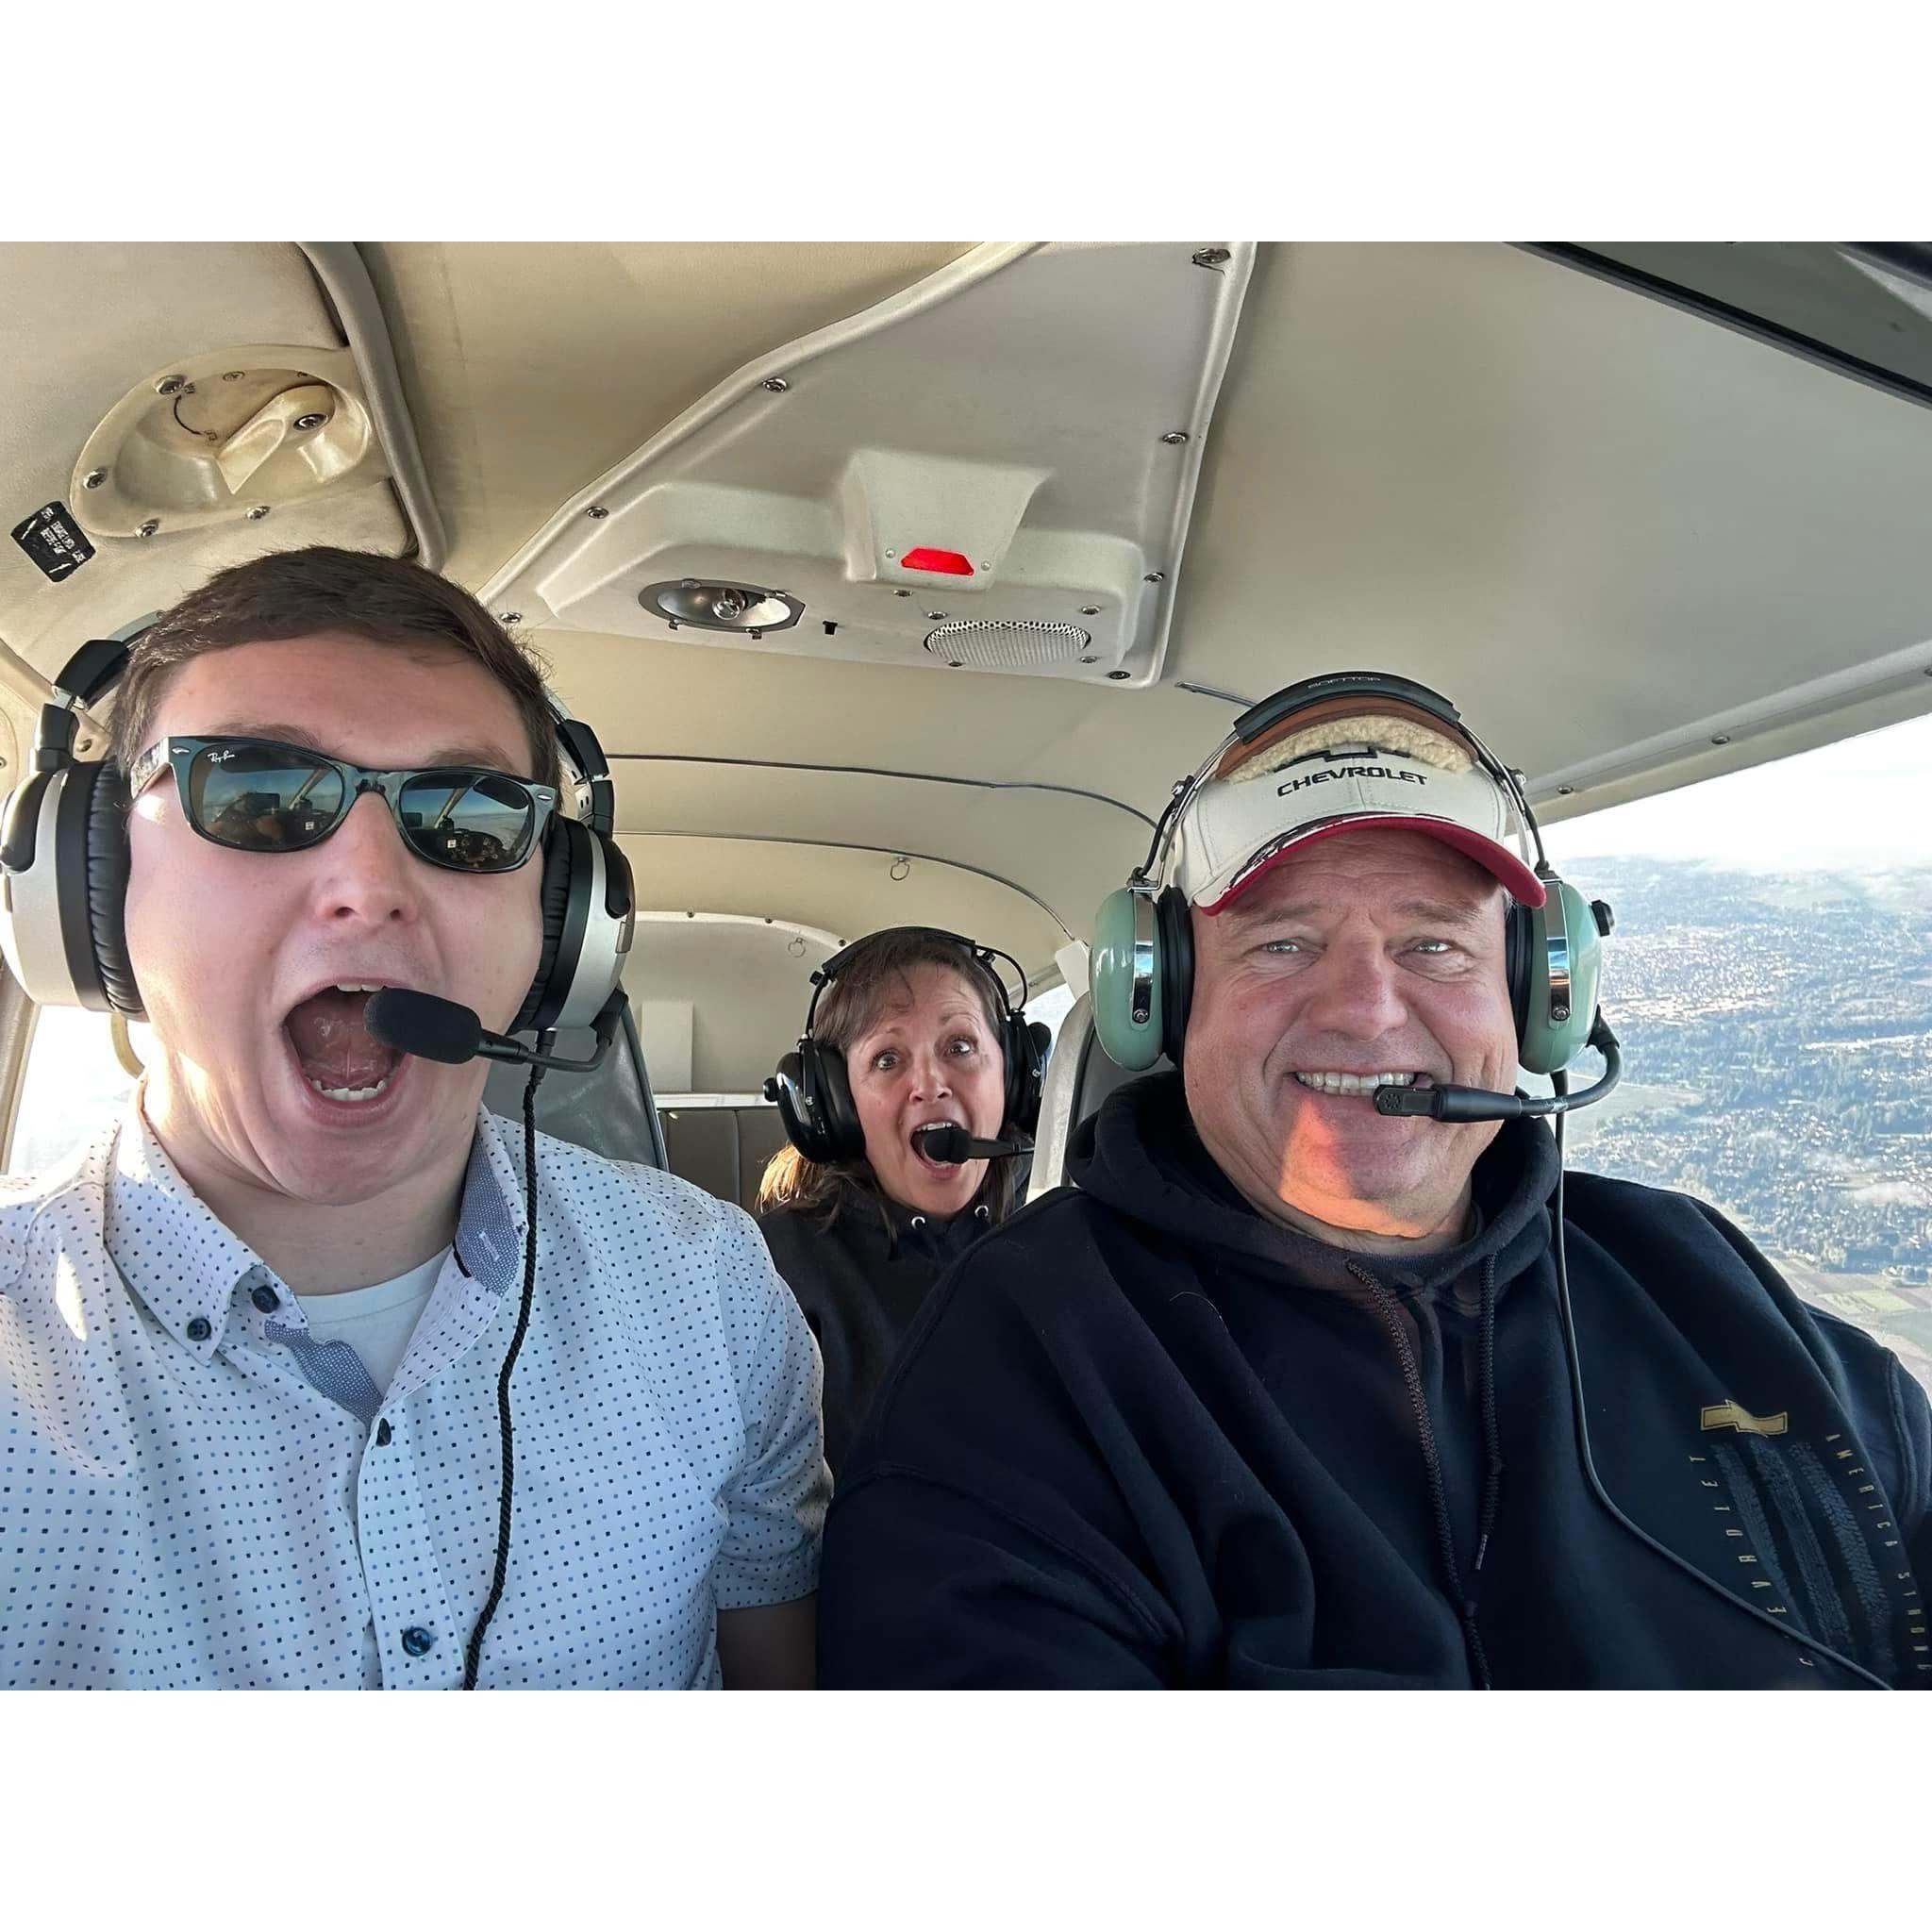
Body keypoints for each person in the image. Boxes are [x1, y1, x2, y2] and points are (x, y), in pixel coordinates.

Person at [816, 671, 1932, 1689]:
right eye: (1282, 943)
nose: (1363, 1008)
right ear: (1162, 998)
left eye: (1432, 944)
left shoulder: (1692, 1273)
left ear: (1535, 993)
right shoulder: (1027, 1357)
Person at [0, 546, 826, 1690]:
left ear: (560, 927)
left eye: (467, 815)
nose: (370, 885)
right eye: (255, 794)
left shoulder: (709, 1290)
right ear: (91, 880)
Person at [756, 926, 1044, 1474]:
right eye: (888, 1059)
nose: (930, 1085)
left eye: (960, 1047)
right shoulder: (780, 1273)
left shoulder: (1067, 1236)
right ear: (837, 1105)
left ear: (1013, 1076)